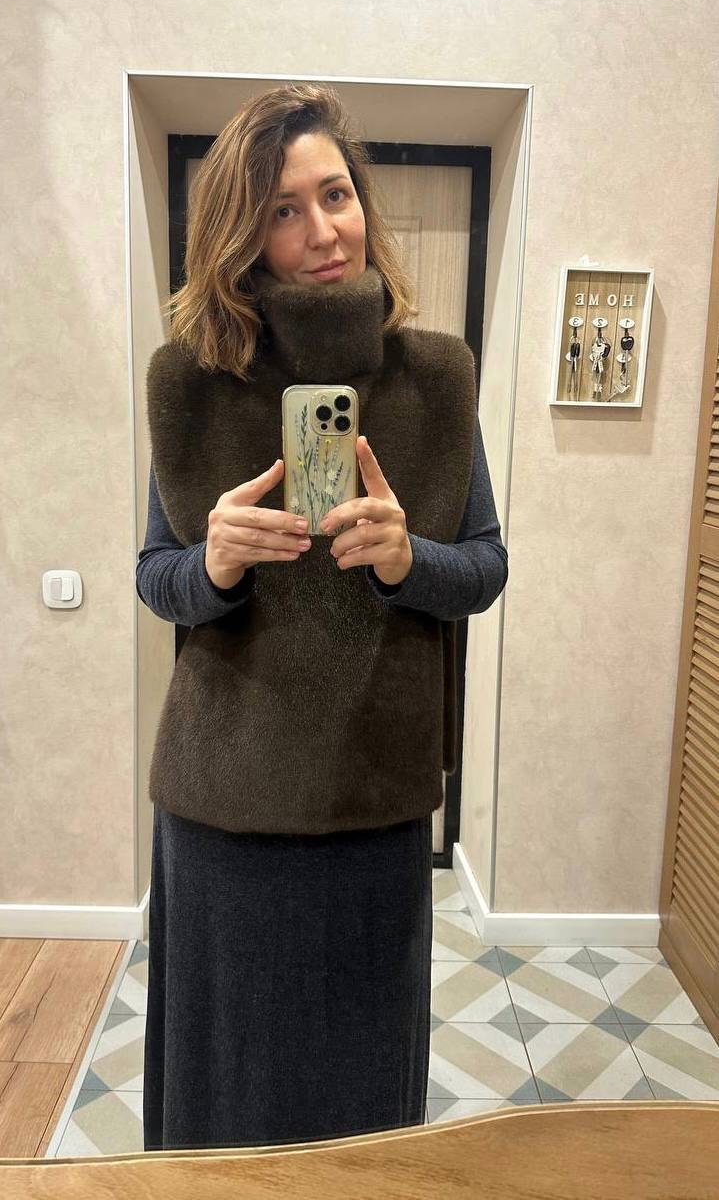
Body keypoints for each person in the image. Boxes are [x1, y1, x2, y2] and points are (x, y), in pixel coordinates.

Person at [137, 81, 508, 1152]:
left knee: (361, 1102)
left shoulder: (436, 380)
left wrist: (406, 559)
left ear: (363, 202)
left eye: (334, 195)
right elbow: (154, 575)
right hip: (222, 804)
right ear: (241, 237)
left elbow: (484, 567)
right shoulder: (191, 385)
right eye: (283, 210)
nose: (321, 230)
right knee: (227, 1095)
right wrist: (210, 565)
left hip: (372, 799)